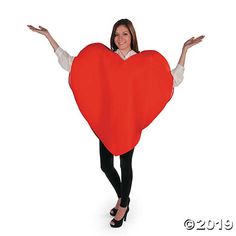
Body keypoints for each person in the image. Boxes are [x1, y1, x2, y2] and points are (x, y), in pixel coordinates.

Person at [27, 19, 204, 228]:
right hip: (107, 122)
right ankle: (124, 198)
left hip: (128, 123)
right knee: (105, 165)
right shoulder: (105, 59)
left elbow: (171, 80)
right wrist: (49, 37)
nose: (120, 38)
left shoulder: (142, 62)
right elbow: (72, 64)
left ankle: (123, 204)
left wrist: (184, 50)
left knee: (125, 165)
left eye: (125, 34)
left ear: (132, 37)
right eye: (117, 34)